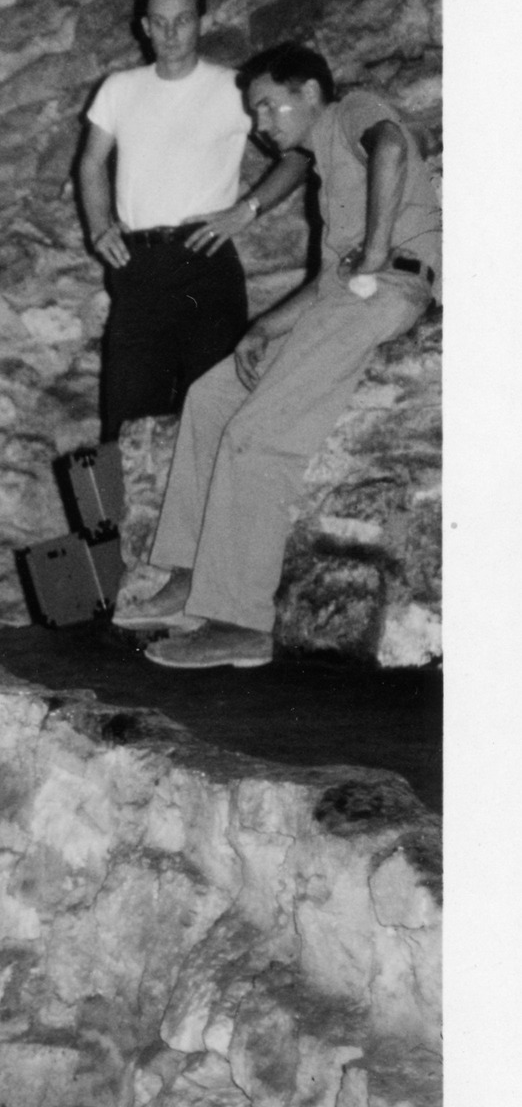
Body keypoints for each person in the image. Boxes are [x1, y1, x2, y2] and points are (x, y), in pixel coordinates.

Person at [114, 44, 438, 670]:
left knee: (259, 436)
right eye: (255, 111)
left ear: (312, 92)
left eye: (268, 105)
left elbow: (393, 147)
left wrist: (373, 255)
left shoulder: (352, 112)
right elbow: (327, 280)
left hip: (387, 287)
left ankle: (239, 623)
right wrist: (261, 328)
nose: (261, 124)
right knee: (211, 397)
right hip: (348, 294)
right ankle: (188, 578)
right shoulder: (330, 168)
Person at [78, 0, 311, 438]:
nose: (170, 34)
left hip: (205, 260)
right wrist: (100, 229)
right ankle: (102, 515)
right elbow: (89, 165)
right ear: (144, 26)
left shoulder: (232, 89)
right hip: (138, 263)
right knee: (120, 417)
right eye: (159, 23)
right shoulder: (118, 89)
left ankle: (213, 512)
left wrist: (246, 210)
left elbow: (300, 154)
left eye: (182, 21)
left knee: (213, 411)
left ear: (201, 22)